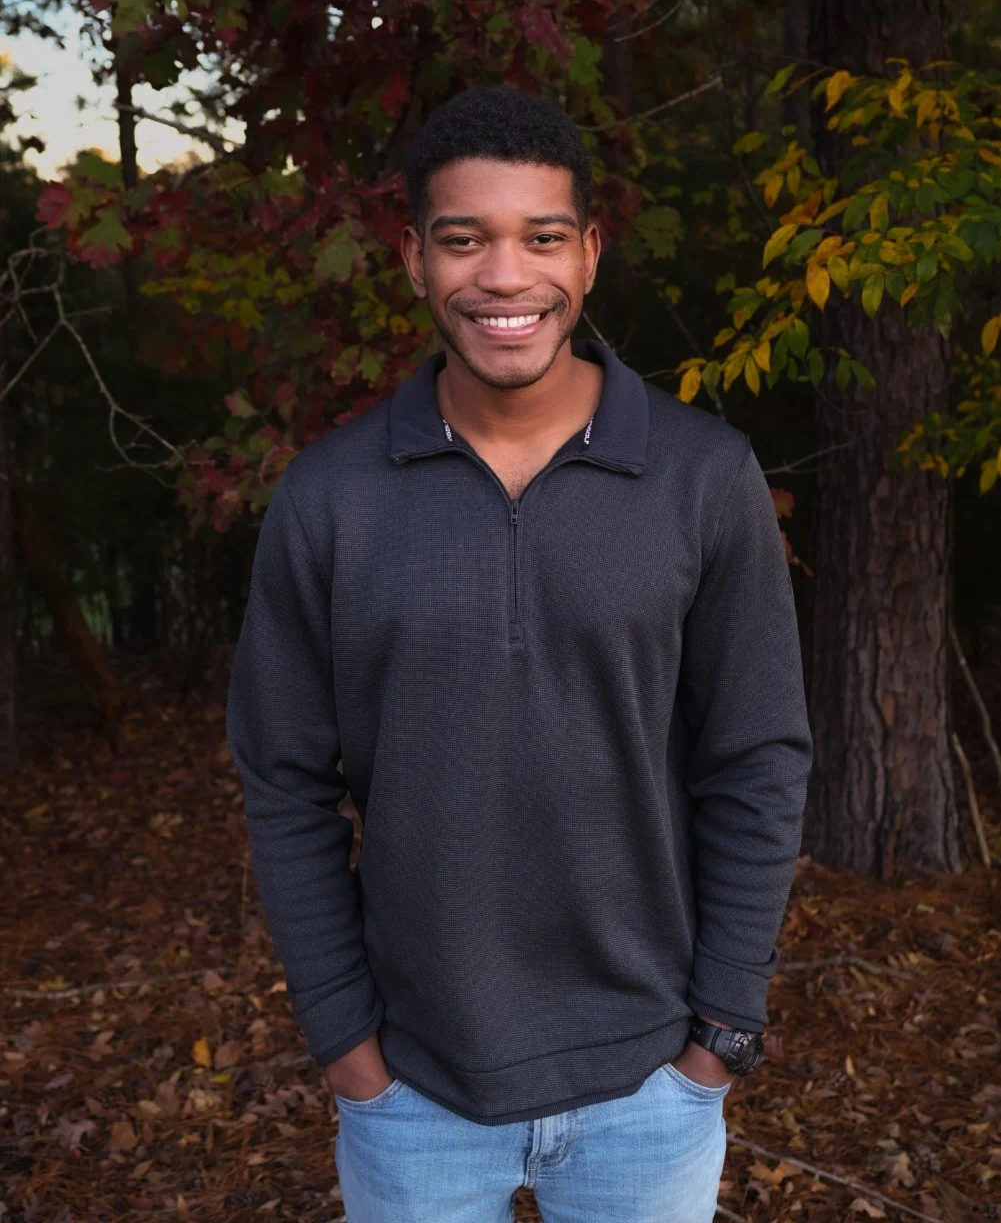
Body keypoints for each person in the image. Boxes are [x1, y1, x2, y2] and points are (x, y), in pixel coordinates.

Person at [226, 85, 813, 1222]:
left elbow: (756, 758)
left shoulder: (701, 478)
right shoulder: (329, 498)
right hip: (416, 1098)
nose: (504, 276)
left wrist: (718, 1036)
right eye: (464, 239)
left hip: (648, 1090)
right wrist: (346, 1043)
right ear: (413, 258)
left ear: (588, 253)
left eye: (542, 237)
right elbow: (284, 782)